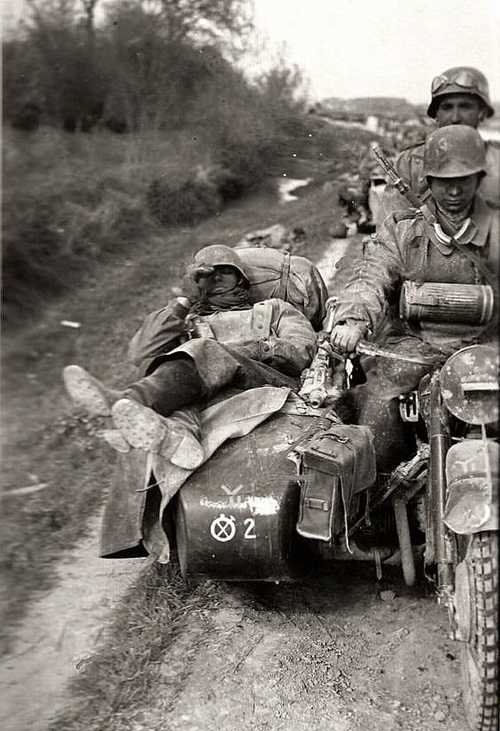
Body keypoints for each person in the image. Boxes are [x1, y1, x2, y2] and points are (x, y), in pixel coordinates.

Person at [329, 125, 499, 472]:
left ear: (478, 178)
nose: (453, 189)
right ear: (428, 180)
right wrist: (354, 319)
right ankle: (378, 514)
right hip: (413, 347)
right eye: (442, 179)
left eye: (463, 179)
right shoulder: (403, 229)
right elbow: (370, 273)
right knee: (377, 415)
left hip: (487, 347)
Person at [63, 244, 316, 468]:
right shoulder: (188, 322)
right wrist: (183, 302)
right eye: (207, 275)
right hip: (210, 398)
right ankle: (179, 440)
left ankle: (129, 399)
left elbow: (301, 351)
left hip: (268, 383)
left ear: (242, 278)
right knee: (179, 374)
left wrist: (250, 349)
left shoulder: (273, 309)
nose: (216, 278)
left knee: (201, 350)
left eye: (225, 271)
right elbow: (142, 354)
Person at [382, 66, 499, 216]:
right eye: (447, 107)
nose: (455, 117)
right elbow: (391, 228)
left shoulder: (496, 160)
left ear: (482, 112)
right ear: (436, 115)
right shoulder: (410, 163)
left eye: (465, 107)